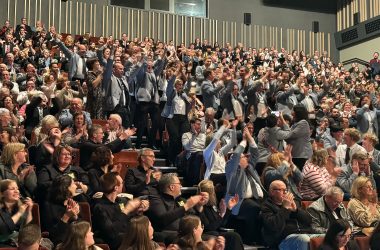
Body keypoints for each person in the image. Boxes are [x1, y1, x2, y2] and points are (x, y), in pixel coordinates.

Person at [224, 126, 265, 244]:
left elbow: (255, 153)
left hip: (258, 198)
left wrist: (250, 138)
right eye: (243, 156)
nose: (246, 157)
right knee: (255, 208)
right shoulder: (231, 170)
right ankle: (250, 239)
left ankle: (265, 239)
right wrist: (244, 141)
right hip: (239, 201)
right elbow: (236, 154)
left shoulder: (249, 167)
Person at [92, 172, 149, 249]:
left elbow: (130, 220)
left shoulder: (122, 201)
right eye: (122, 183)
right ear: (116, 188)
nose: (123, 184)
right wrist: (126, 210)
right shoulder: (99, 207)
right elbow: (111, 233)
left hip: (127, 237)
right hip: (112, 242)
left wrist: (139, 211)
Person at [146, 173, 209, 243]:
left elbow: (196, 219)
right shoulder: (156, 199)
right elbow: (162, 220)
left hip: (187, 235)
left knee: (213, 238)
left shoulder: (181, 200)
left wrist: (199, 206)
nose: (181, 186)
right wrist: (186, 206)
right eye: (179, 184)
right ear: (172, 187)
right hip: (168, 236)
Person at [260, 180, 319, 250]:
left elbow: (309, 220)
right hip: (283, 239)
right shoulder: (266, 206)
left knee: (325, 237)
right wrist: (285, 208)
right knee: (304, 239)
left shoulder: (296, 202)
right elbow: (274, 226)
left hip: (305, 233)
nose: (285, 192)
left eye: (286, 190)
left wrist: (296, 211)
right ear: (272, 192)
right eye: (281, 190)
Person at [197, 180, 244, 250]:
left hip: (216, 233)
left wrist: (228, 208)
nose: (214, 194)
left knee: (234, 236)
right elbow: (209, 228)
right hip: (207, 235)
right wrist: (221, 214)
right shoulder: (200, 207)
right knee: (233, 237)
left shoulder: (212, 206)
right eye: (212, 191)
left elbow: (221, 224)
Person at [41, 175, 83, 244]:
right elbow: (55, 234)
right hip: (60, 243)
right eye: (73, 183)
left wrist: (75, 217)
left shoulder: (73, 203)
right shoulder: (48, 206)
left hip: (75, 240)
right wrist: (66, 216)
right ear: (66, 188)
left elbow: (82, 228)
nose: (76, 186)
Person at [278, 105, 313, 170]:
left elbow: (289, 135)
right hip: (296, 154)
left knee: (300, 176)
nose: (291, 113)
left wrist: (282, 120)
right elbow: (288, 136)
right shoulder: (295, 124)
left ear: (298, 112)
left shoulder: (303, 123)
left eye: (293, 110)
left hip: (302, 155)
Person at [0, 179, 33, 247]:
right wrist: (19, 213)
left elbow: (27, 227)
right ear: (2, 193)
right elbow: (3, 229)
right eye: (12, 189)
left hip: (17, 241)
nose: (16, 191)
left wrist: (29, 210)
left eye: (17, 188)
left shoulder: (19, 206)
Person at [181, 117, 206, 186]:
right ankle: (196, 181)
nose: (200, 126)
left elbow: (205, 147)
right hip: (191, 156)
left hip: (203, 155)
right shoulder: (186, 135)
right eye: (198, 124)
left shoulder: (203, 136)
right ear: (192, 125)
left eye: (200, 125)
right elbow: (187, 148)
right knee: (199, 154)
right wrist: (194, 136)